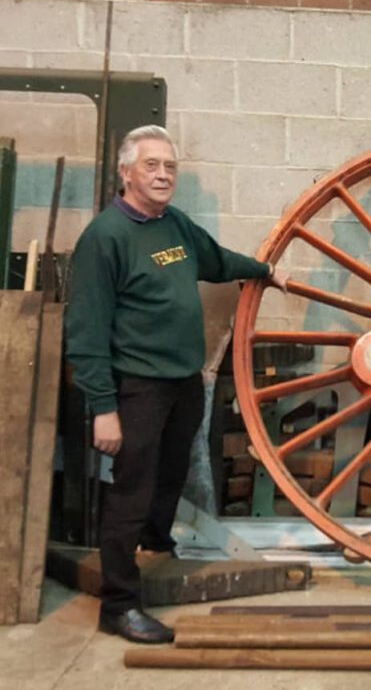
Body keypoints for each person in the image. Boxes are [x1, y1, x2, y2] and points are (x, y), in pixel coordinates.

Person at [65, 125, 287, 643]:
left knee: (170, 476)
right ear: (126, 173)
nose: (163, 174)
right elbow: (87, 330)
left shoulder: (174, 225)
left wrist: (264, 270)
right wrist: (103, 405)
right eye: (151, 165)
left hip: (182, 383)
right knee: (131, 491)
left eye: (169, 166)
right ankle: (119, 606)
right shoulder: (105, 238)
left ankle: (156, 547)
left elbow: (216, 261)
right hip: (137, 387)